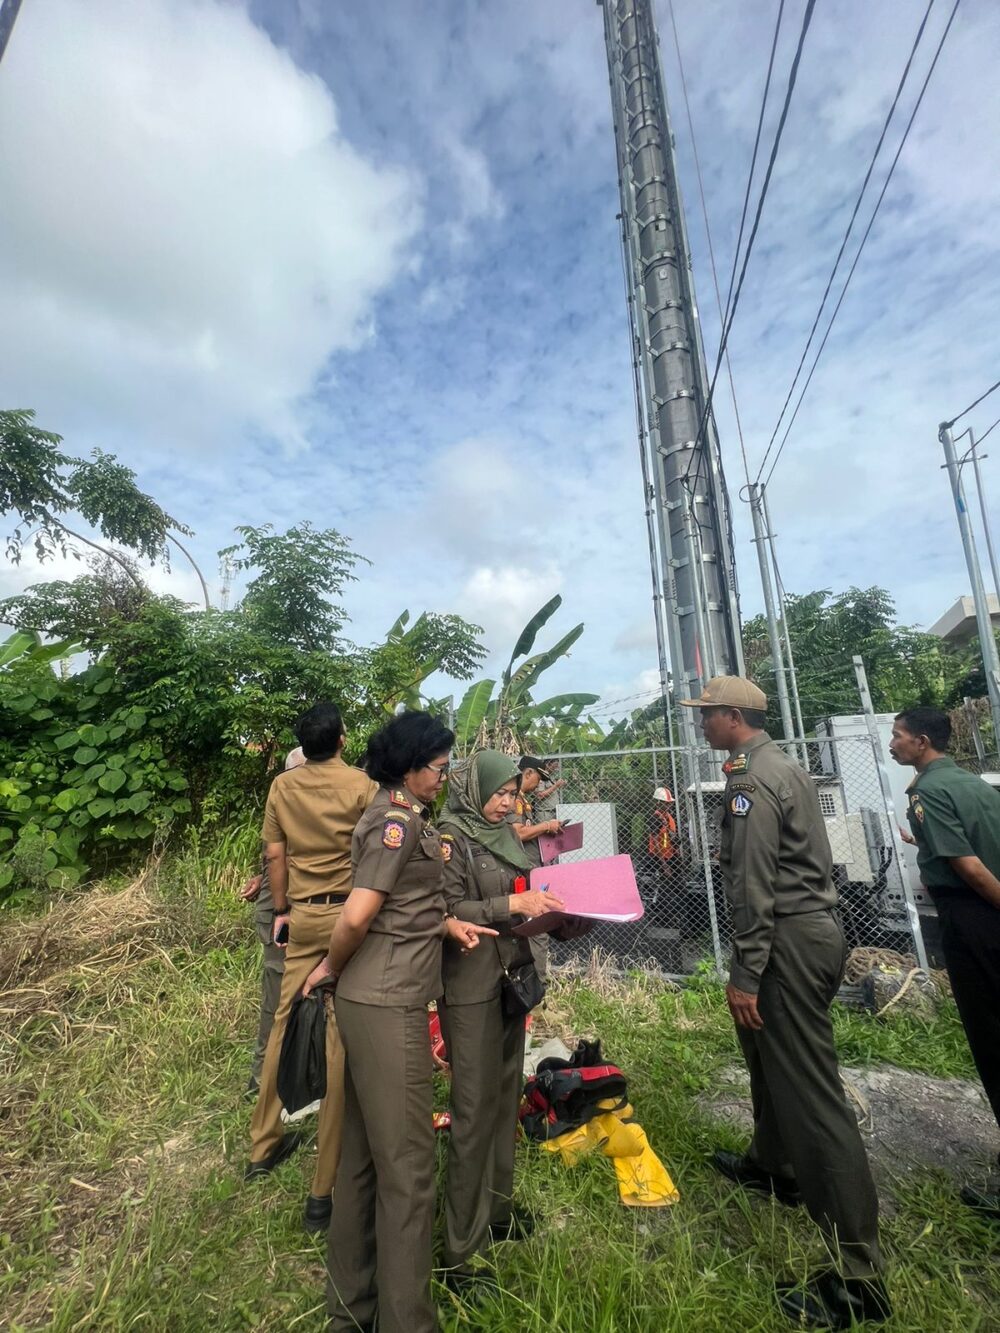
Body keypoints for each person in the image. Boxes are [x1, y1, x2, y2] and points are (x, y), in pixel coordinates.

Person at [680, 677, 890, 1329]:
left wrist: (746, 970)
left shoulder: (751, 781)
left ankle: (859, 1278)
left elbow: (752, 881)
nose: (702, 725)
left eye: (707, 715)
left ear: (733, 717)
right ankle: (775, 1166)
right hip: (802, 934)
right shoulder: (777, 765)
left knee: (812, 1093)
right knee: (764, 1056)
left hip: (785, 941)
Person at [302, 711, 496, 1333]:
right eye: (439, 768)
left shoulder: (403, 816)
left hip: (372, 999)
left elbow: (403, 903)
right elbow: (358, 915)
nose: (444, 778)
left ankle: (351, 1309)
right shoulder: (393, 822)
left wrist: (444, 921)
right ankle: (408, 1320)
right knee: (410, 1169)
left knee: (362, 1159)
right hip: (388, 1004)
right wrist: (326, 967)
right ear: (410, 766)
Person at [244, 703, 377, 1238]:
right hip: (350, 916)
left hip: (300, 914)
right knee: (338, 1040)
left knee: (283, 1022)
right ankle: (322, 1192)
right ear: (343, 739)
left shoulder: (283, 787)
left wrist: (281, 910)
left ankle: (262, 1145)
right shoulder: (364, 787)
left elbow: (275, 856)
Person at [437, 751, 566, 1288]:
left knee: (504, 1097)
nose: (508, 802)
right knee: (471, 1111)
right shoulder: (449, 837)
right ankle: (458, 1250)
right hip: (471, 988)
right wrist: (509, 910)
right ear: (474, 789)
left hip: (515, 978)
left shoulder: (508, 835)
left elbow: (525, 895)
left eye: (513, 794)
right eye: (500, 793)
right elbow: (440, 909)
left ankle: (497, 1210)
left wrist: (559, 914)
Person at [889, 706, 1000, 1219]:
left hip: (973, 917)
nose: (893, 745)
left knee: (991, 1034)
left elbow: (968, 866)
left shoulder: (925, 791)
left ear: (922, 742)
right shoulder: (974, 785)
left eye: (899, 737)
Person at [239, 746, 306, 1098]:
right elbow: (275, 856)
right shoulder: (286, 805)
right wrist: (274, 899)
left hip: (295, 913)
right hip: (281, 915)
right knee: (278, 999)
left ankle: (295, 1077)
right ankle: (262, 1082)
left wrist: (259, 877)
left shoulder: (298, 807)